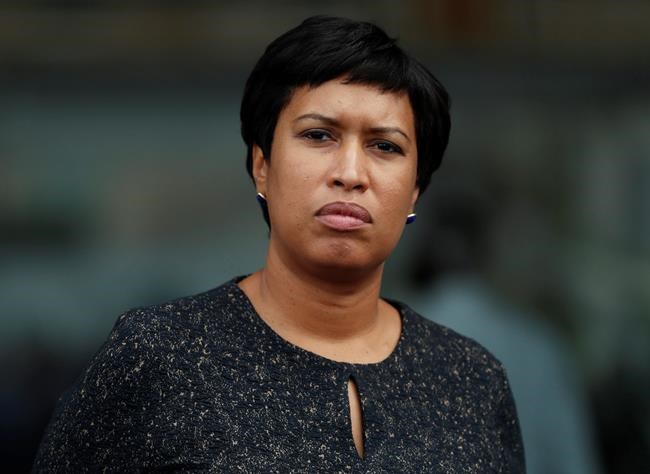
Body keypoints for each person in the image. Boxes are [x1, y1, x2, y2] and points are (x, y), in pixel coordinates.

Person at [32, 16, 525, 472]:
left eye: (385, 146)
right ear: (262, 165)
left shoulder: (471, 381)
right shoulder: (159, 357)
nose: (351, 173)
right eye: (319, 135)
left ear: (415, 189)